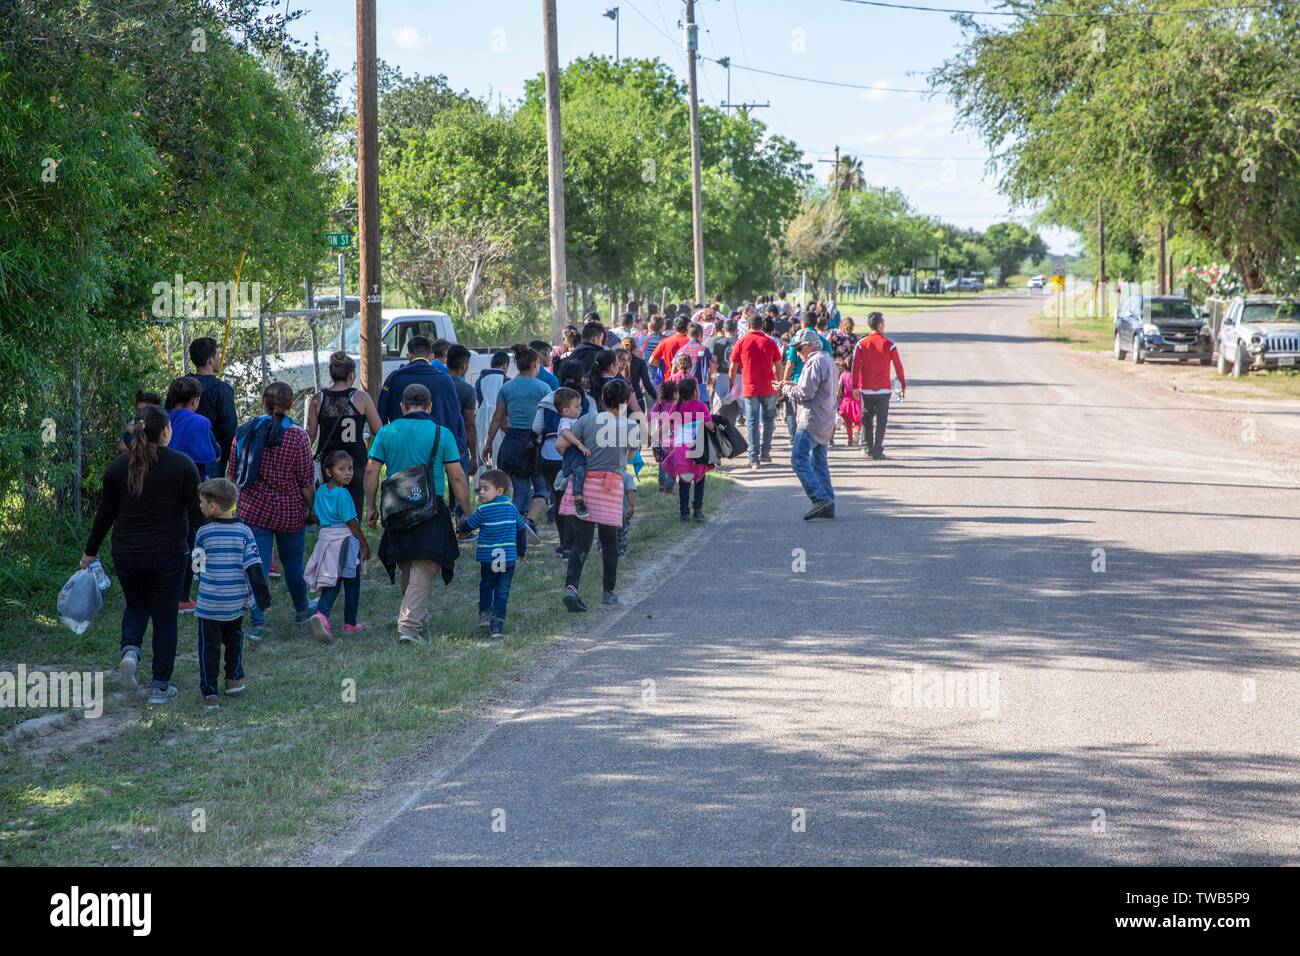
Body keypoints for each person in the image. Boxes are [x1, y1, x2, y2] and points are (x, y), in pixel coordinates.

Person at [82, 405, 202, 705]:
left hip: (127, 552)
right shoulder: (183, 465)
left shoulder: (118, 467)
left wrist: (90, 551)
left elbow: (104, 514)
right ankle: (160, 686)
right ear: (165, 432)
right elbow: (196, 514)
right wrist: (205, 547)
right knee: (164, 615)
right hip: (169, 553)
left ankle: (131, 653)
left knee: (136, 605)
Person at [365, 384, 471, 643]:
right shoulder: (441, 433)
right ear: (430, 406)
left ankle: (416, 619)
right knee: (425, 563)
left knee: (408, 562)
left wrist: (370, 506)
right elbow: (456, 476)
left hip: (395, 505)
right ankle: (410, 626)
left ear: (403, 406)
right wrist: (465, 510)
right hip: (430, 506)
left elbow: (371, 471)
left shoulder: (386, 432)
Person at [227, 381, 317, 638]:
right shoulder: (298, 435)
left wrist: (230, 506)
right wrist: (313, 508)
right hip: (289, 511)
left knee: (258, 566)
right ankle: (302, 609)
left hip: (253, 510)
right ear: (291, 404)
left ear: (262, 401)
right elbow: (307, 482)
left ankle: (258, 622)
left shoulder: (245, 431)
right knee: (293, 564)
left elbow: (232, 475)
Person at [556, 378, 640, 611]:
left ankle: (571, 588)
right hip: (611, 488)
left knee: (581, 541)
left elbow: (561, 445)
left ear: (602, 399)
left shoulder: (586, 419)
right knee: (609, 540)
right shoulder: (630, 426)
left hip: (583, 487)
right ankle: (608, 592)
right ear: (624, 402)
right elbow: (631, 457)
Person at [192, 477, 272, 709]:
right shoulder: (245, 532)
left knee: (209, 647)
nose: (200, 506)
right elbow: (254, 568)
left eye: (202, 502)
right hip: (235, 602)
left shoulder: (203, 533)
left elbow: (197, 568)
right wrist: (263, 601)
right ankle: (233, 679)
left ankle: (209, 692)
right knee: (235, 640)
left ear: (213, 507)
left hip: (209, 604)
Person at [483, 344, 551, 558]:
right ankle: (526, 522)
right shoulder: (543, 388)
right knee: (542, 490)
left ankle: (516, 529)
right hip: (535, 443)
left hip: (511, 444)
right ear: (535, 364)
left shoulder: (507, 388)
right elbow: (550, 419)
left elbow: (497, 418)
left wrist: (488, 442)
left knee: (520, 491)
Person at [164, 375, 218, 613]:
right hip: (191, 486)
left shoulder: (160, 420)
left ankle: (167, 588)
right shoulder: (199, 422)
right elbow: (211, 454)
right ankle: (186, 592)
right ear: (195, 400)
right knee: (195, 538)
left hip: (159, 487)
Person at [305, 450, 371, 643]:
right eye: (341, 469)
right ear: (328, 471)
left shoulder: (322, 491)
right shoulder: (343, 494)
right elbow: (352, 522)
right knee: (352, 582)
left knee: (332, 580)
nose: (348, 473)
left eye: (349, 468)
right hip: (345, 540)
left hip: (326, 539)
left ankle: (322, 614)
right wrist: (363, 544)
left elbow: (315, 517)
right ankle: (348, 623)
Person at [305, 351, 382, 517]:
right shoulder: (361, 397)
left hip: (329, 465)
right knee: (353, 514)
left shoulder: (318, 399)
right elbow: (378, 430)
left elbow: (309, 436)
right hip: (355, 463)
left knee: (330, 514)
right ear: (351, 375)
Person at [456, 468, 529, 639]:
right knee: (502, 589)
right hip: (508, 557)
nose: (481, 492)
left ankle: (485, 613)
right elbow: (521, 530)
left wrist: (460, 526)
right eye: (480, 488)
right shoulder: (512, 509)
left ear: (499, 491)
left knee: (487, 584)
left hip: (488, 558)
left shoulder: (483, 511)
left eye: (485, 488)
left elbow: (470, 525)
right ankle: (497, 624)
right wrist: (521, 551)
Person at [376, 337, 468, 469]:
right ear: (431, 356)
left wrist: (384, 445)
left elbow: (381, 415)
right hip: (434, 450)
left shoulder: (394, 378)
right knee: (434, 483)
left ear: (409, 356)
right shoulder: (444, 380)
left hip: (402, 448)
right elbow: (454, 416)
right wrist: (458, 446)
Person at [534, 369, 595, 560]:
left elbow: (536, 428)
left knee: (559, 499)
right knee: (574, 499)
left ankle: (563, 543)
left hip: (548, 455)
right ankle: (573, 543)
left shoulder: (547, 400)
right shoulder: (585, 401)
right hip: (570, 459)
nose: (580, 409)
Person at [782, 328, 838, 520]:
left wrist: (786, 389)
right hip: (826, 418)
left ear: (809, 345)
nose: (797, 353)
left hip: (811, 419)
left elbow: (805, 393)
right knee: (819, 463)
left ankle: (820, 498)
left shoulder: (815, 362)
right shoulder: (829, 360)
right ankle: (828, 502)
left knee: (798, 459)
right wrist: (790, 386)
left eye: (799, 348)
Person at [850, 312, 906, 460]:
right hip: (884, 389)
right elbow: (898, 367)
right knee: (882, 420)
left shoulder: (861, 344)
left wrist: (854, 386)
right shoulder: (889, 345)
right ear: (880, 325)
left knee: (867, 417)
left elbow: (855, 366)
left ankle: (867, 446)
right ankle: (877, 449)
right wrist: (902, 386)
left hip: (867, 388)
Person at [729, 314, 782, 469]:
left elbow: (733, 367)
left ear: (748, 326)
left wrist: (732, 383)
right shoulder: (770, 342)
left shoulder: (742, 342)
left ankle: (753, 458)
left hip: (750, 388)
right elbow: (779, 366)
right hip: (769, 387)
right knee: (769, 419)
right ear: (761, 325)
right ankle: (766, 452)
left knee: (752, 422)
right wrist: (779, 383)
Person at [659, 377, 716, 522]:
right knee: (699, 479)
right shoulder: (701, 406)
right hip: (699, 448)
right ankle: (698, 509)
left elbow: (666, 426)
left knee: (684, 482)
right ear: (694, 392)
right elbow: (710, 426)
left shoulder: (677, 407)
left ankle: (684, 513)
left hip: (681, 449)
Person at [189, 337, 238, 479]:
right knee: (211, 499)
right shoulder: (222, 390)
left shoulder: (180, 385)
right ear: (210, 360)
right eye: (217, 355)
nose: (219, 358)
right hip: (212, 456)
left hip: (182, 452)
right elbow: (229, 427)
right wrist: (232, 460)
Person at [445, 344, 480, 497]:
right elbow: (469, 424)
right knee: (461, 486)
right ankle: (461, 515)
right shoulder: (467, 390)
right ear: (463, 364)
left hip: (434, 441)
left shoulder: (437, 384)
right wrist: (474, 456)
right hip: (458, 444)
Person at [475, 350, 510, 465]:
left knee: (484, 459)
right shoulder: (506, 382)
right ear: (505, 365)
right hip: (501, 423)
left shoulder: (480, 380)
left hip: (481, 421)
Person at [676, 323, 715, 403]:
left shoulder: (681, 350)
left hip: (683, 389)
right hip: (700, 388)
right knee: (700, 413)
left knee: (686, 414)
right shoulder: (704, 350)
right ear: (700, 335)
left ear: (687, 335)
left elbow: (674, 369)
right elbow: (712, 367)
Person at [619, 335, 657, 412]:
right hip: (637, 398)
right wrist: (655, 396)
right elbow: (646, 383)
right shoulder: (640, 362)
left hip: (620, 400)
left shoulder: (616, 362)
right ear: (635, 348)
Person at [835, 356, 862, 446]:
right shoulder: (859, 374)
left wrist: (838, 398)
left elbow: (838, 388)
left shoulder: (843, 375)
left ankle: (850, 440)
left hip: (846, 401)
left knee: (848, 422)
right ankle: (856, 431)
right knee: (858, 421)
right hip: (856, 400)